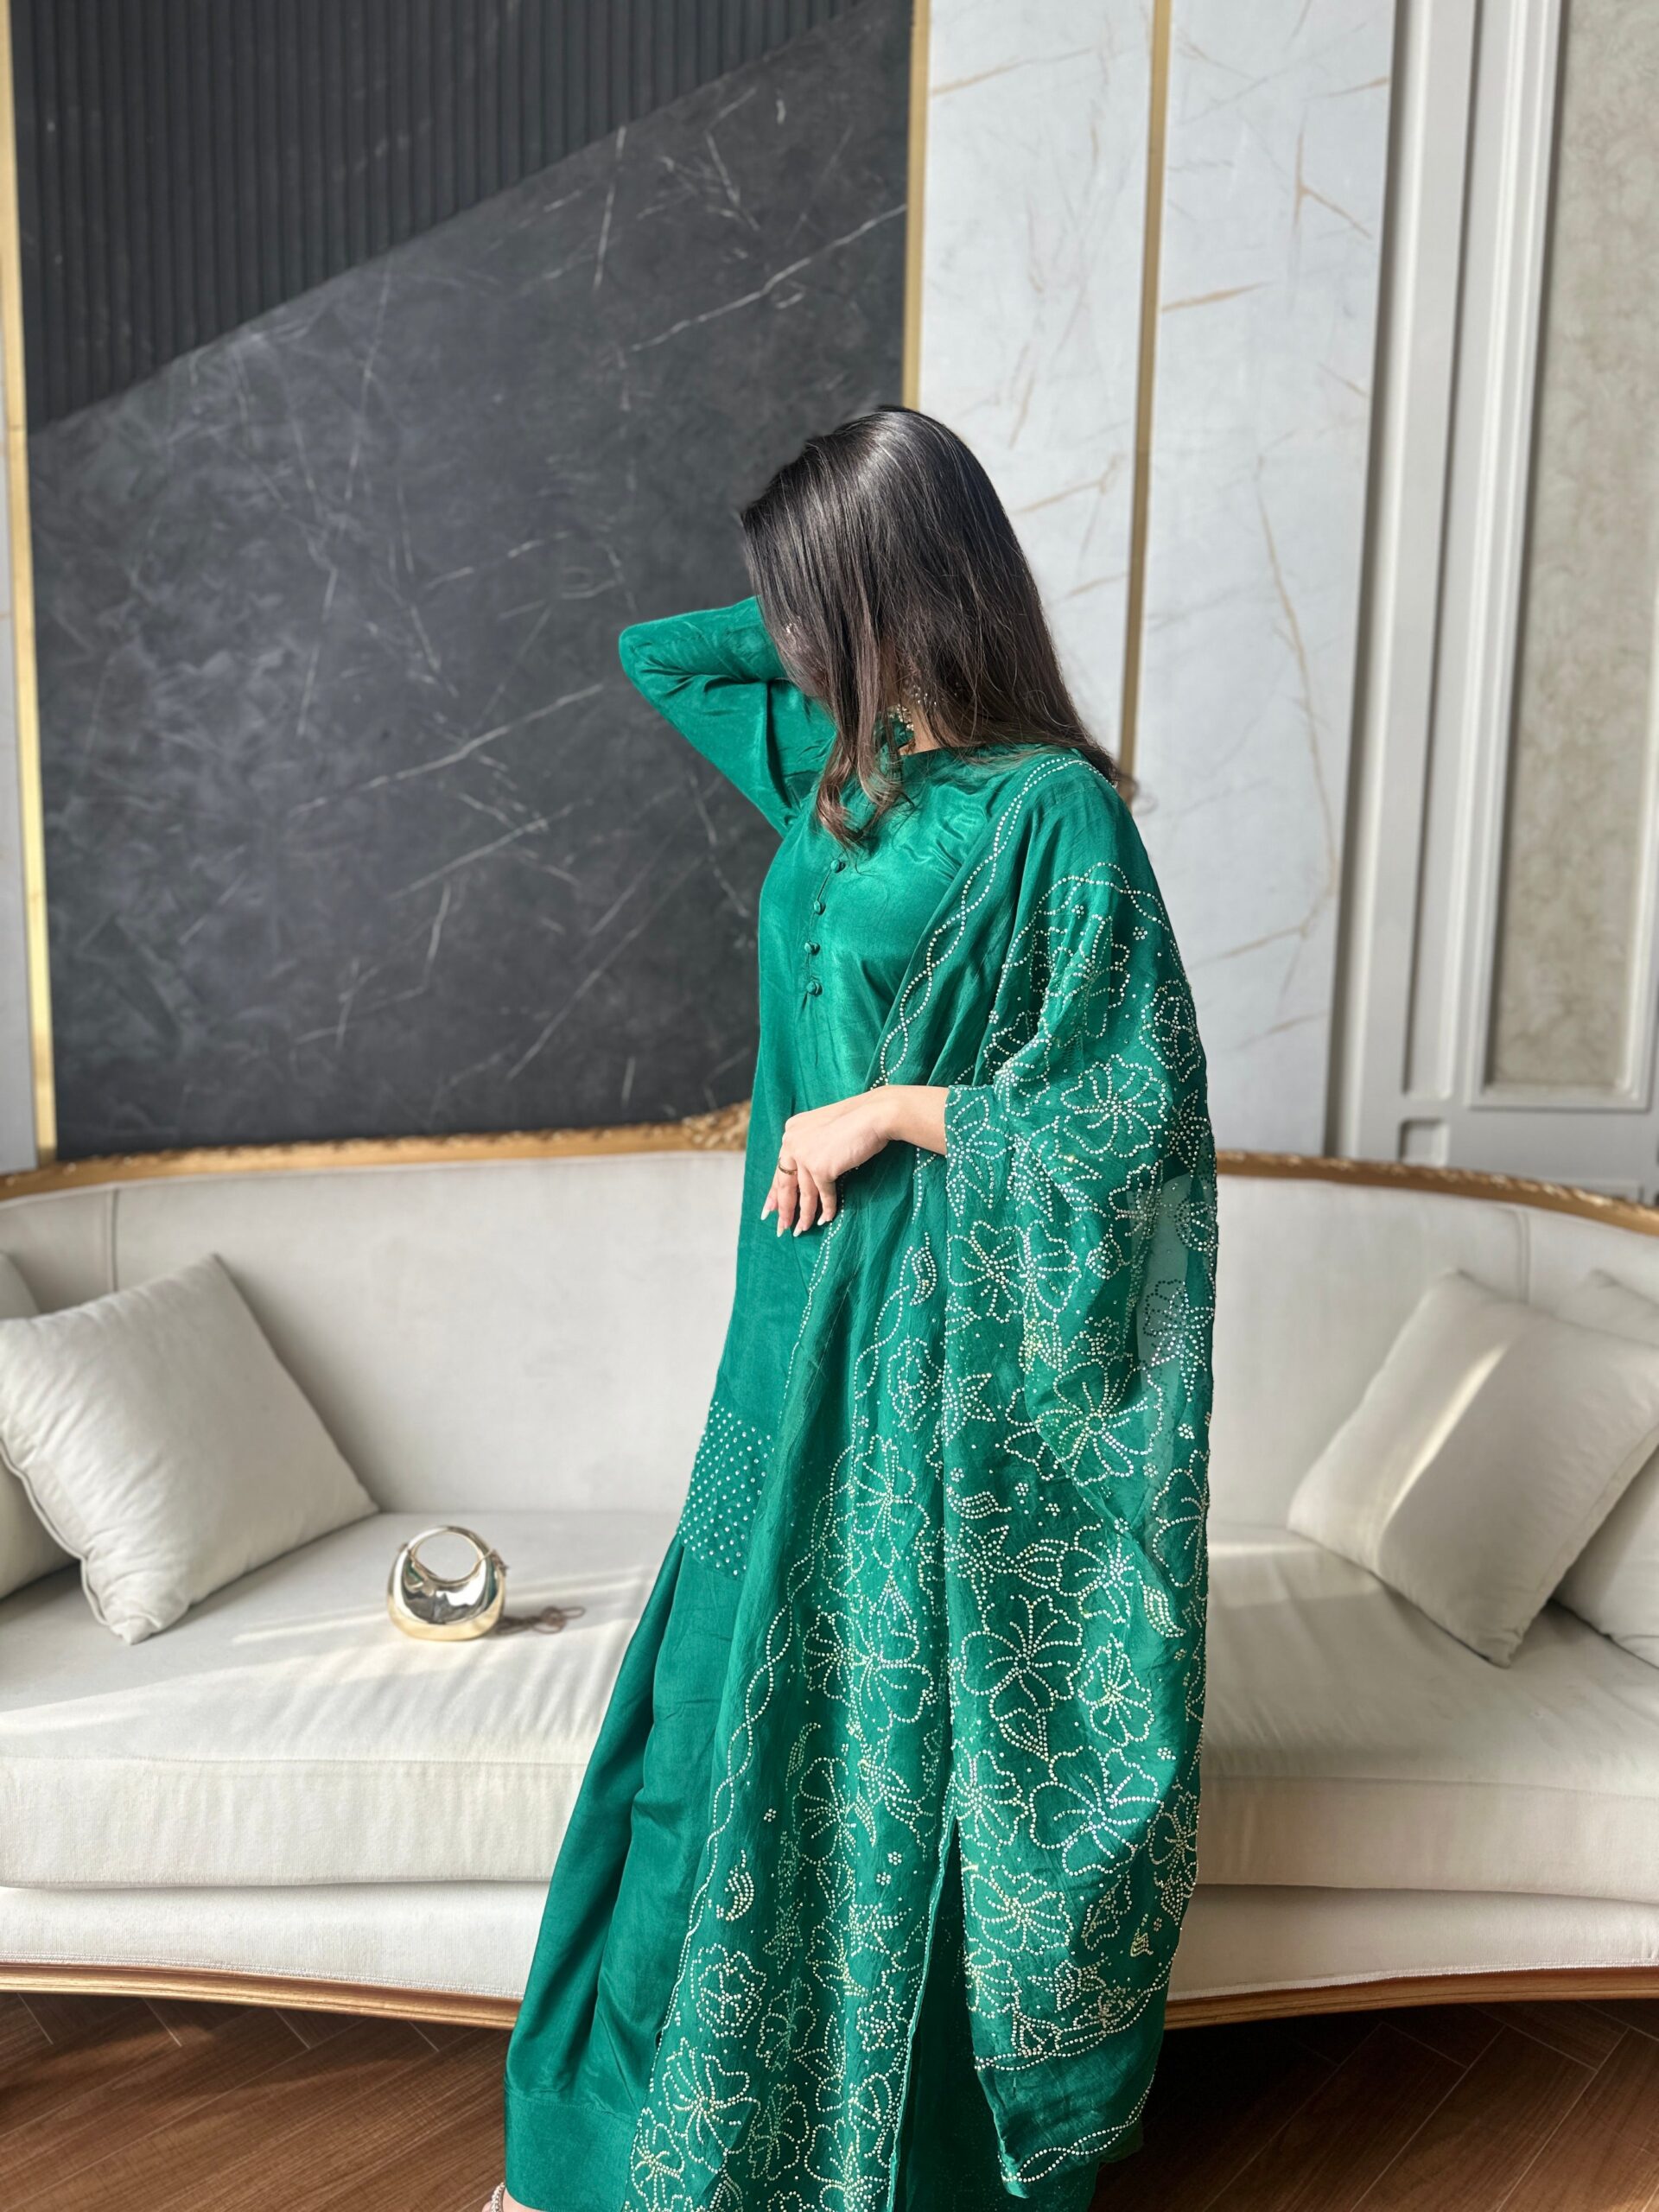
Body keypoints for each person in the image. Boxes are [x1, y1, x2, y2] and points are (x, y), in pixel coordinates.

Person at [485, 405, 1217, 2212]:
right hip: (779, 1336)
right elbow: (659, 655)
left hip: (921, 1369)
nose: (791, 641)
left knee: (865, 1741)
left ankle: (859, 2163)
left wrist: (892, 1106)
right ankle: (617, 2148)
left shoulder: (1050, 815)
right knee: (696, 1724)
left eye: (819, 604)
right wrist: (825, 608)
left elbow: (1132, 1115)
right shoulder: (841, 775)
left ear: (907, 586)